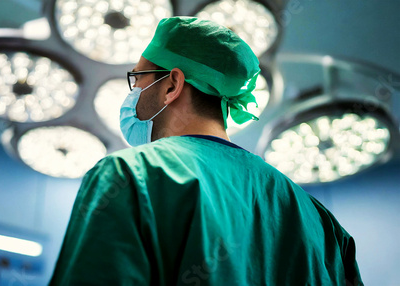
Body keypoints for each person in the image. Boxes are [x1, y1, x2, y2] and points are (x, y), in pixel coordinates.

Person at [49, 17, 363, 285]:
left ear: (172, 84)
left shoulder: (131, 177)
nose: (133, 92)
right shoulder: (323, 224)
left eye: (138, 78)